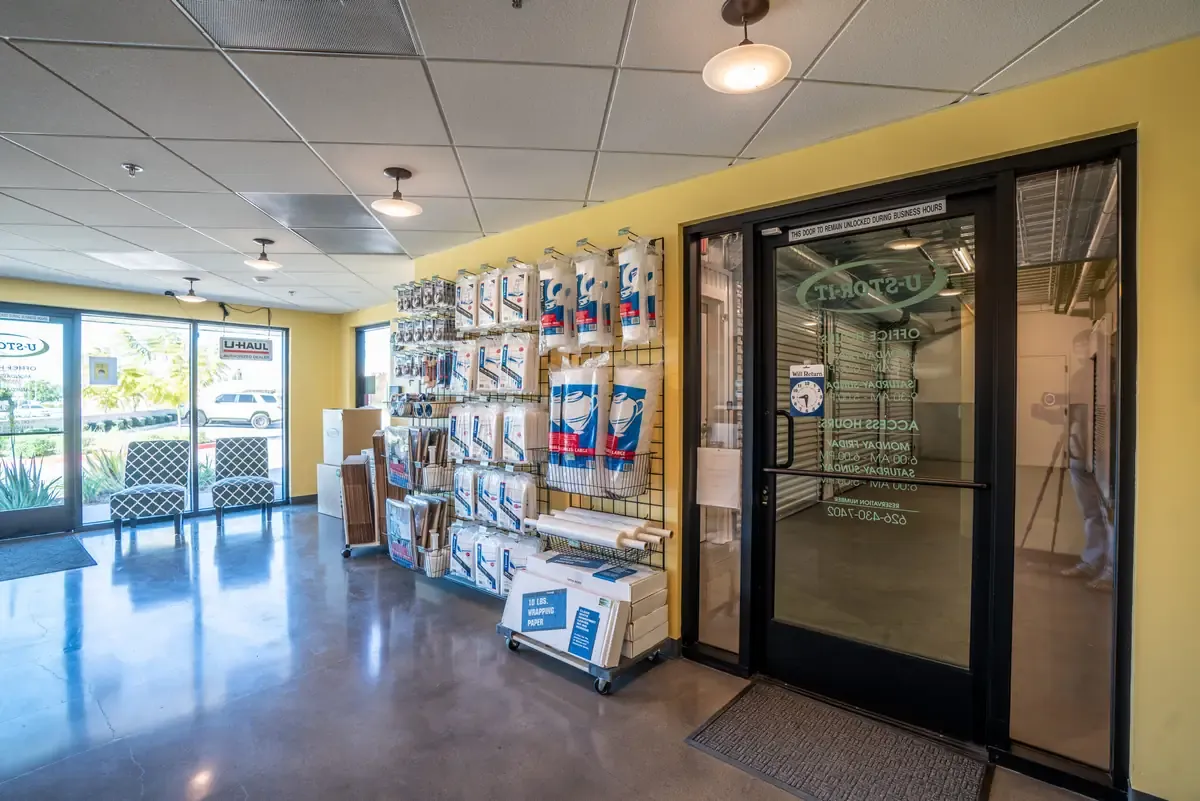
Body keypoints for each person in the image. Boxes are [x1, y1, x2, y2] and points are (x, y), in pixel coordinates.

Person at [1060, 406, 1113, 591]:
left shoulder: (1106, 381)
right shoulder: (1076, 383)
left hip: (1105, 453)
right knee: (1091, 513)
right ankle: (1092, 562)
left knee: (1110, 514)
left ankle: (1112, 572)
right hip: (1079, 454)